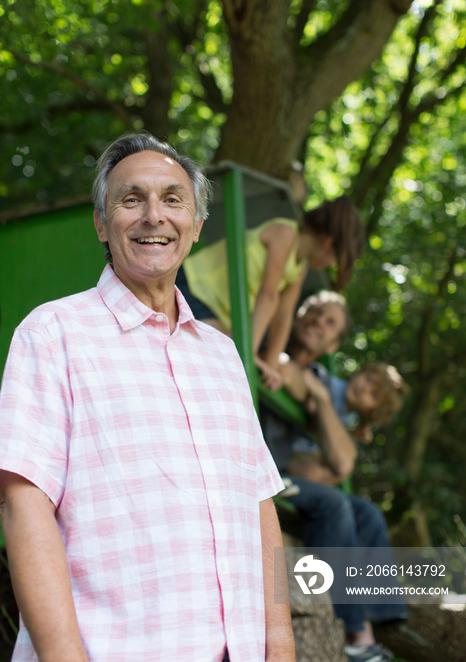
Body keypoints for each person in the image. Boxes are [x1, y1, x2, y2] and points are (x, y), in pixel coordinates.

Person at [0, 132, 295, 662]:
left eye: (173, 199)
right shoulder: (51, 333)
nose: (153, 216)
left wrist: (281, 644)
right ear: (101, 223)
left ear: (197, 226)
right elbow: (23, 505)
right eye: (131, 199)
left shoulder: (223, 355)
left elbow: (259, 503)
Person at [260, 292, 407, 662]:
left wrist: (320, 399)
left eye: (330, 323)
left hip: (288, 473)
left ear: (335, 343)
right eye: (316, 314)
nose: (318, 324)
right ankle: (355, 632)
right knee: (334, 502)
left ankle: (381, 622)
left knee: (367, 513)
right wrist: (312, 392)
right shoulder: (269, 343)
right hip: (266, 472)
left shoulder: (322, 381)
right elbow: (288, 372)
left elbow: (342, 463)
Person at [177, 196, 364, 389]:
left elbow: (284, 315)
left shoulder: (301, 267)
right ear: (328, 242)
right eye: (336, 259)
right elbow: (268, 296)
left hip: (216, 312)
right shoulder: (285, 233)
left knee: (224, 347)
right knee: (223, 350)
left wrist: (271, 365)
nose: (332, 265)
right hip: (193, 287)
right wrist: (248, 355)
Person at [284, 360, 410, 476]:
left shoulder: (351, 421)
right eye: (368, 379)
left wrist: (352, 434)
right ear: (359, 373)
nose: (364, 389)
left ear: (373, 412)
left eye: (374, 395)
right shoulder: (326, 383)